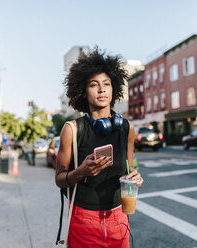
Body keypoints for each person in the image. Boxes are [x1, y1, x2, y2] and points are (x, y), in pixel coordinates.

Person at [55, 48, 144, 248]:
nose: (102, 90)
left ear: (114, 88)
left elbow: (129, 169)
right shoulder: (72, 130)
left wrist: (135, 177)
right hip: (84, 221)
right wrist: (80, 172)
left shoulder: (127, 128)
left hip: (119, 219)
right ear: (83, 92)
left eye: (107, 84)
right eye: (94, 85)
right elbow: (59, 179)